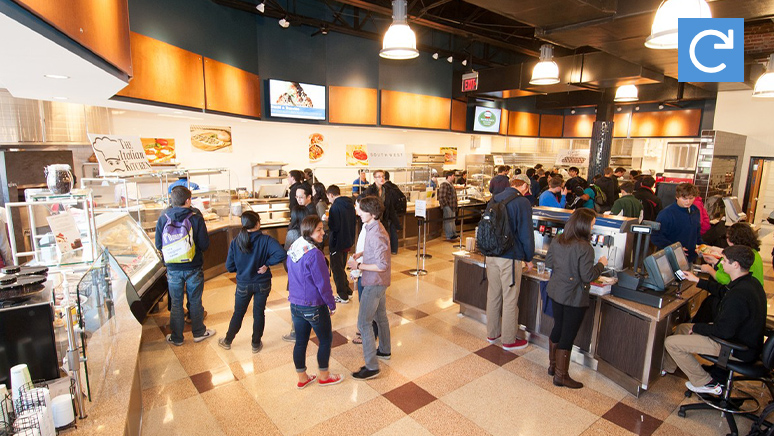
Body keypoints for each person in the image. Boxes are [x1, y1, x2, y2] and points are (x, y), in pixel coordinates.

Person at [664, 245, 766, 395]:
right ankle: (668, 368)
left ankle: (706, 383)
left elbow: (723, 331)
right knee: (682, 329)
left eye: (724, 261)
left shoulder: (738, 296)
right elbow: (723, 291)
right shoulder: (749, 282)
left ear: (735, 265)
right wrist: (697, 280)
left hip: (735, 348)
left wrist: (698, 328)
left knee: (671, 343)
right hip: (743, 339)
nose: (721, 264)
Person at [545, 208, 607, 389]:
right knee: (568, 334)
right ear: (584, 225)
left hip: (556, 291)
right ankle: (561, 376)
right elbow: (587, 276)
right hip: (574, 296)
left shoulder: (558, 239)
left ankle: (553, 366)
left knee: (558, 327)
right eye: (592, 224)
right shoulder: (585, 247)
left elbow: (549, 263)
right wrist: (601, 265)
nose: (593, 228)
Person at [287, 215, 343, 389]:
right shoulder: (314, 254)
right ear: (308, 231)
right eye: (318, 230)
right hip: (313, 305)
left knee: (301, 341)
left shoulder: (294, 247)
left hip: (295, 305)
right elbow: (323, 284)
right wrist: (331, 304)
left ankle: (302, 378)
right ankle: (324, 376)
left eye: (322, 229)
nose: (323, 233)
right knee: (325, 339)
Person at [218, 211, 286, 353]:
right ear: (258, 224)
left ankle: (227, 340)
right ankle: (256, 344)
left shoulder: (236, 241)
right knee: (259, 313)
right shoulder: (266, 240)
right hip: (263, 283)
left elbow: (229, 267)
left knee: (238, 313)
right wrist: (267, 263)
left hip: (243, 284)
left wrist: (242, 268)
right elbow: (281, 253)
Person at [155, 186, 214, 346]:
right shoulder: (195, 218)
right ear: (188, 200)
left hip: (173, 269)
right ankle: (199, 333)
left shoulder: (163, 217)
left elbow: (159, 244)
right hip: (193, 266)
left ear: (172, 200)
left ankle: (177, 338)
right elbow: (204, 244)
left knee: (176, 303)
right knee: (195, 301)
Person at [485, 177, 535, 351]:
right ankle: (509, 340)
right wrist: (529, 257)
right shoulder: (522, 202)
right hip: (510, 256)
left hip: (491, 254)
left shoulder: (494, 199)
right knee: (510, 298)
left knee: (493, 295)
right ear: (524, 186)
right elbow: (526, 233)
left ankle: (492, 334)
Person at [347, 196, 392, 380]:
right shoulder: (373, 227)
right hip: (379, 282)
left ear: (372, 213)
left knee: (364, 323)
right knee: (380, 317)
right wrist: (362, 253)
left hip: (374, 282)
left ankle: (372, 366)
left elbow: (382, 265)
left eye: (362, 210)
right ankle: (385, 350)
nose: (358, 212)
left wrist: (358, 266)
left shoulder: (376, 233)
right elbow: (376, 250)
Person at [651, 183, 702, 263]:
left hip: (690, 257)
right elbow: (656, 236)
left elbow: (696, 232)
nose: (688, 202)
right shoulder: (666, 213)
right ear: (677, 197)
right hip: (670, 259)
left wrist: (702, 246)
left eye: (691, 198)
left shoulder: (695, 210)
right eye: (684, 199)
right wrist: (675, 248)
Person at [281, 206, 310, 343]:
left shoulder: (292, 233)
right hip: (309, 269)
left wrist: (288, 271)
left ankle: (296, 331)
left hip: (296, 271)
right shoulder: (311, 229)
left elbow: (287, 254)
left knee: (296, 301)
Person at [326, 184, 356, 304]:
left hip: (337, 242)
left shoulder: (335, 207)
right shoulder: (349, 205)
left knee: (337, 269)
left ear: (331, 195)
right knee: (341, 267)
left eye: (328, 197)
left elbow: (335, 226)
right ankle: (347, 291)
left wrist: (328, 220)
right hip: (348, 240)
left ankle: (342, 295)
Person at [364, 170, 402, 255]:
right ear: (374, 178)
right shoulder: (370, 190)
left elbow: (390, 207)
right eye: (379, 177)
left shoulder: (387, 190)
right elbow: (367, 205)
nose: (382, 178)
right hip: (373, 220)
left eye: (383, 176)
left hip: (384, 220)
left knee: (383, 240)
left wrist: (397, 223)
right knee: (374, 241)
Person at [438, 170, 459, 241]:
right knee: (448, 221)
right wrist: (446, 206)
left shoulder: (451, 184)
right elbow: (442, 196)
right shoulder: (444, 184)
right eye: (453, 176)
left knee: (452, 220)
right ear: (449, 176)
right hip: (448, 206)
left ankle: (453, 234)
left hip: (452, 205)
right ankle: (449, 235)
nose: (454, 177)